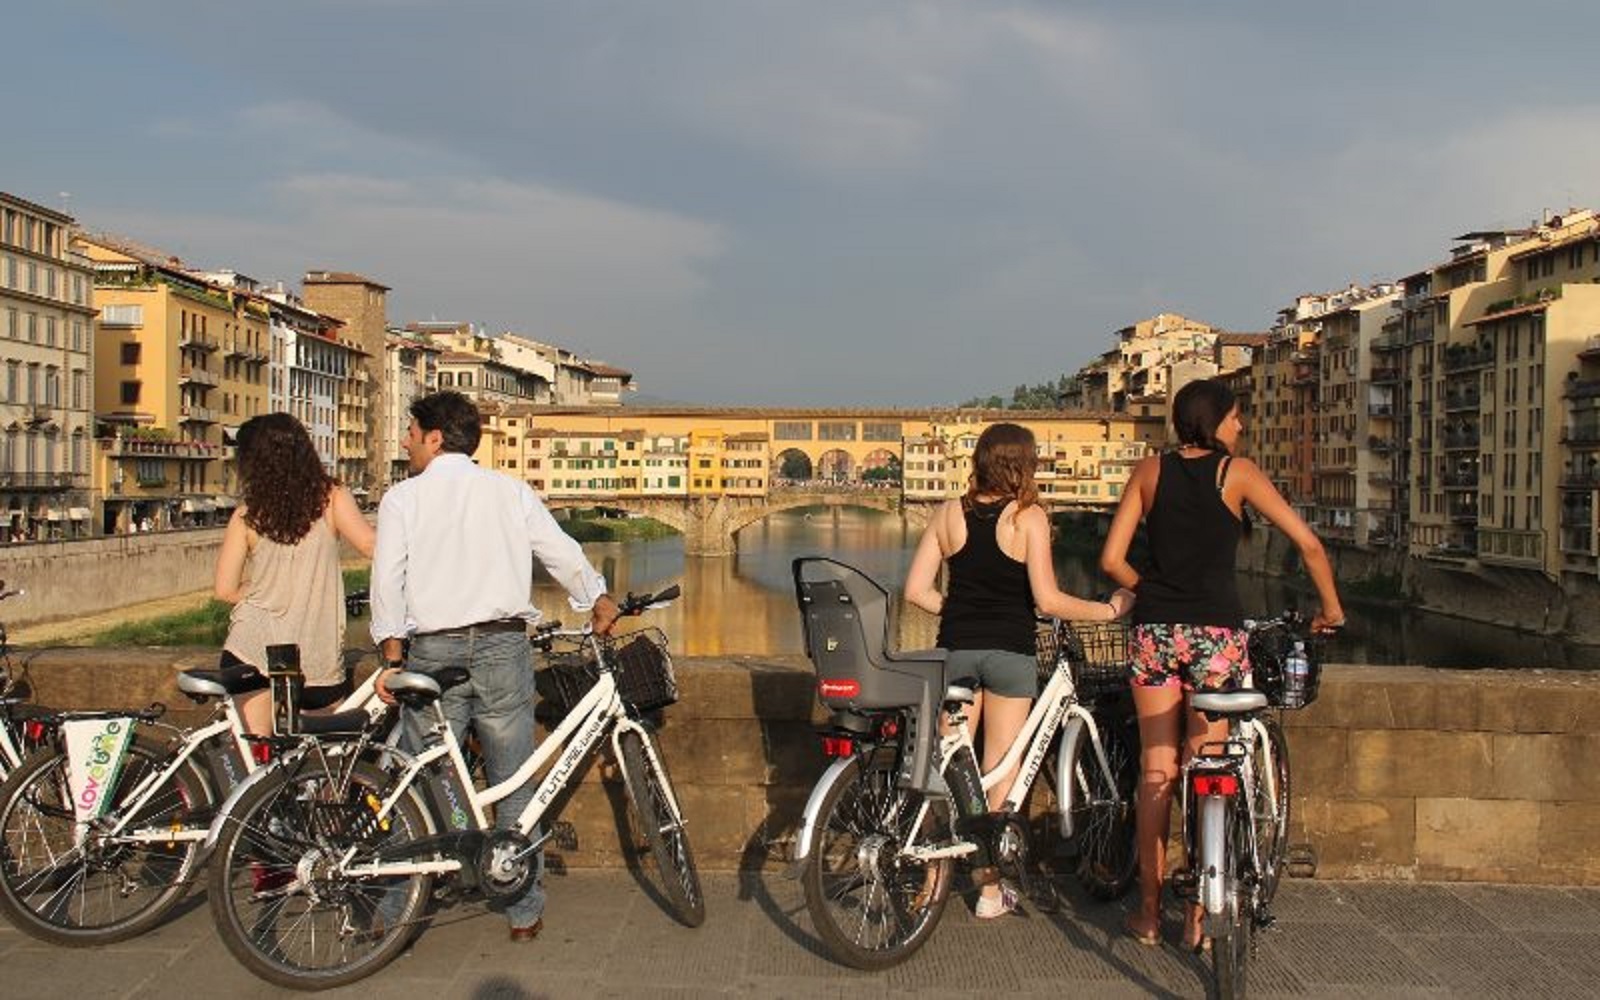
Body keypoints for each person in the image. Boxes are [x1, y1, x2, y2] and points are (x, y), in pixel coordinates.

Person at [1099, 378, 1344, 950]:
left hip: (1155, 635)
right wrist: (1330, 608)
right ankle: (1202, 918)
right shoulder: (1237, 472)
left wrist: (1155, 593)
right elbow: (1308, 544)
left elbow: (1111, 560)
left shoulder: (1149, 472)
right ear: (1215, 421)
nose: (1241, 428)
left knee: (1156, 769)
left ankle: (1150, 916)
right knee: (1207, 765)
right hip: (1217, 638)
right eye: (1236, 418)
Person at [370, 390, 620, 943]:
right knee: (513, 778)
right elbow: (557, 550)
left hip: (432, 652)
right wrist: (597, 598)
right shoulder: (510, 491)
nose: (406, 442)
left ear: (435, 437)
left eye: (411, 433)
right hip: (504, 648)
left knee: (418, 778)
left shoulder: (402, 500)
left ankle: (395, 907)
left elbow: (387, 581)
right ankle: (522, 908)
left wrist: (392, 655)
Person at [904, 421, 1134, 919]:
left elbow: (915, 592)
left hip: (957, 652)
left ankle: (930, 876)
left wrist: (962, 609)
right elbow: (1048, 599)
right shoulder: (1028, 517)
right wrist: (1110, 611)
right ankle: (989, 893)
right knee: (998, 775)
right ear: (1022, 464)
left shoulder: (947, 513)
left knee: (948, 772)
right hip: (1010, 655)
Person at [214, 412, 375, 734]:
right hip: (315, 652)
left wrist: (266, 592)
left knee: (258, 764)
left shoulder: (247, 514)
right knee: (325, 765)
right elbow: (372, 547)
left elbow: (225, 589)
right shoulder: (331, 499)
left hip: (252, 645)